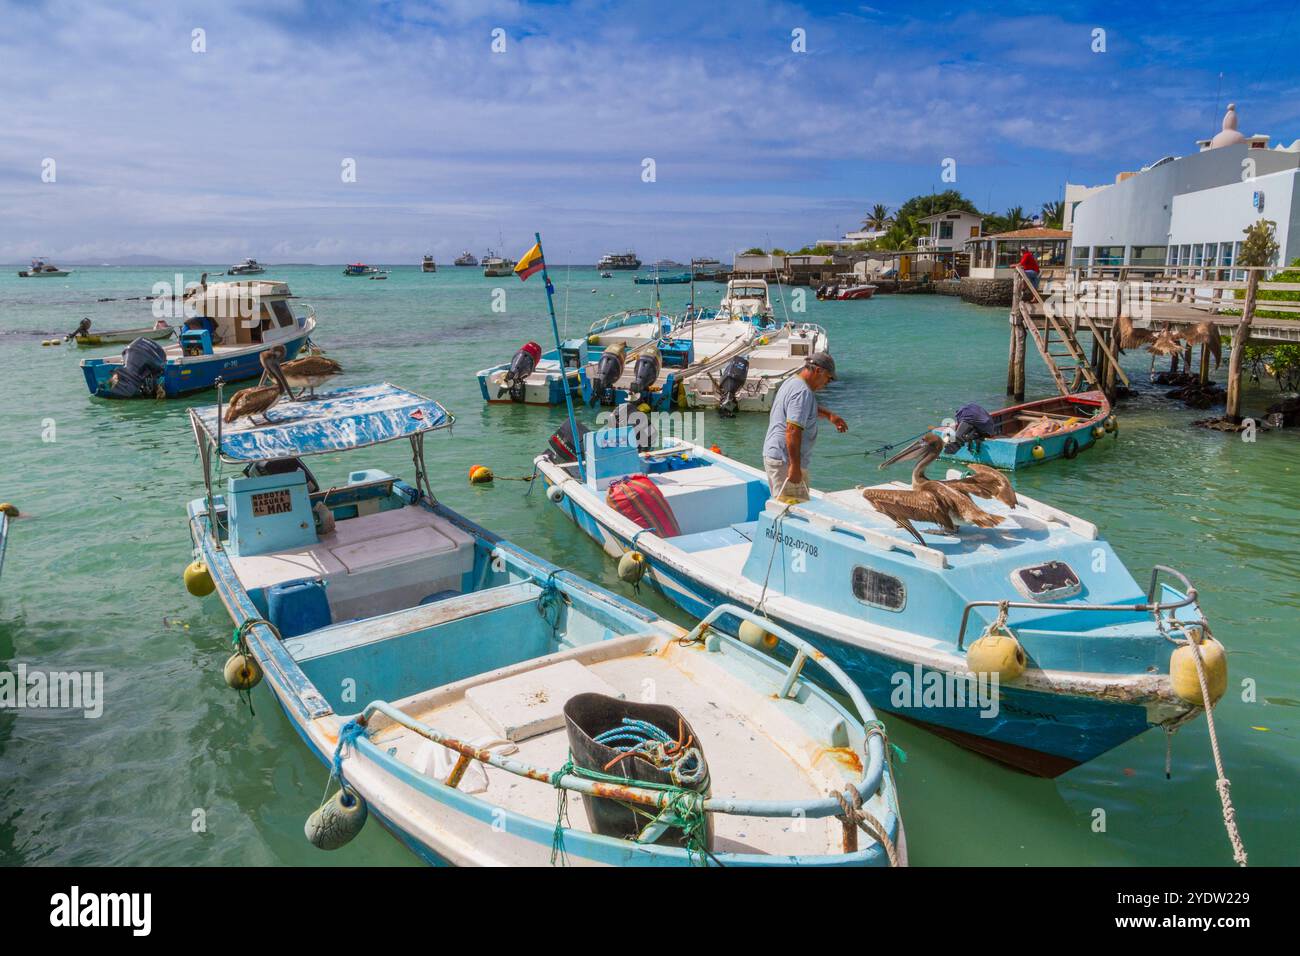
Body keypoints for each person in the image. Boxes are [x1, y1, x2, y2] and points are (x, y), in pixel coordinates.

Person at [762, 352, 847, 501]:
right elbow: (792, 430)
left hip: (778, 456)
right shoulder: (803, 392)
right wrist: (794, 466)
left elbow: (802, 409)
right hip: (785, 461)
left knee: (794, 507)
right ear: (818, 370)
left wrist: (829, 415)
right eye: (829, 377)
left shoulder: (793, 382)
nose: (828, 382)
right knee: (791, 509)